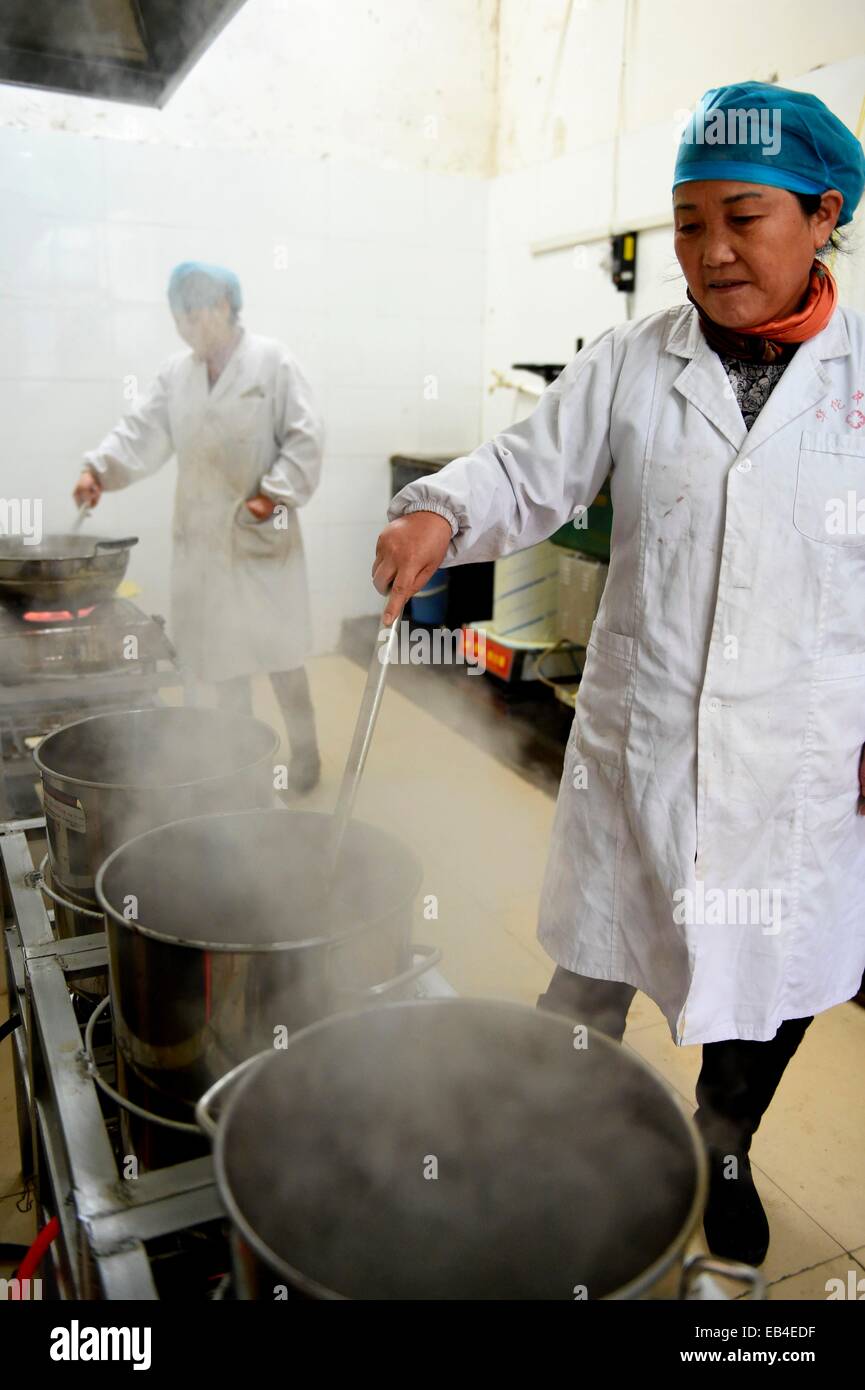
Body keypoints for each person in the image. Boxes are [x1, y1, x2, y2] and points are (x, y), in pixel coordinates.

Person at [373, 82, 865, 1266]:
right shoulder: (634, 361)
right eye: (688, 222)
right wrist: (441, 515)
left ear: (824, 214)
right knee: (590, 975)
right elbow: (523, 466)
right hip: (639, 751)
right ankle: (541, 1133)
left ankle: (724, 1140)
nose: (709, 252)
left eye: (743, 218)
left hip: (794, 775)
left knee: (769, 993)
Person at [75, 261, 323, 792]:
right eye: (180, 320)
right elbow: (141, 431)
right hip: (203, 542)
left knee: (281, 654)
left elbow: (306, 437)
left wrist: (270, 496)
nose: (188, 330)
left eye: (196, 316)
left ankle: (305, 757)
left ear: (224, 307)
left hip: (261, 538)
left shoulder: (272, 363)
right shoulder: (178, 374)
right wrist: (98, 468)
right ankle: (243, 760)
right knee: (224, 657)